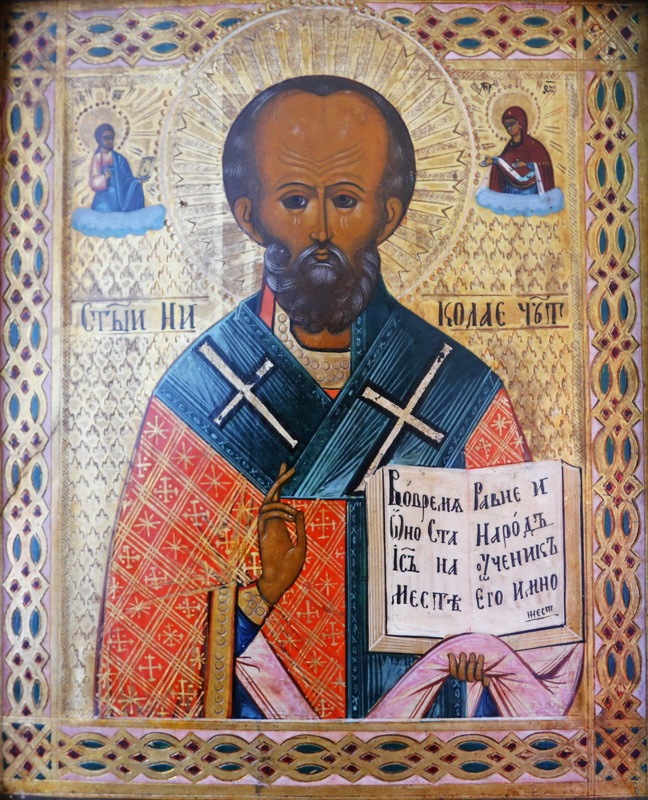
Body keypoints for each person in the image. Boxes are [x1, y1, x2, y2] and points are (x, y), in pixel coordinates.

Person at [96, 77, 582, 720]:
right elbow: (147, 644)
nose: (321, 230)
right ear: (249, 216)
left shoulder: (461, 391)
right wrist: (259, 594)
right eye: (295, 200)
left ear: (389, 214)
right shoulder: (199, 392)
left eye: (346, 200)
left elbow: (536, 625)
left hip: (424, 753)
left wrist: (485, 646)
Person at [482, 106, 555, 196]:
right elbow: (503, 163)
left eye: (511, 124)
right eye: (506, 125)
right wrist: (494, 161)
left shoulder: (534, 146)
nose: (509, 128)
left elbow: (544, 167)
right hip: (511, 192)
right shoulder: (510, 147)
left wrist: (527, 165)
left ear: (520, 124)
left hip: (530, 192)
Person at [89, 123, 148, 213]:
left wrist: (136, 181)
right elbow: (93, 181)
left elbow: (127, 178)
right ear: (99, 139)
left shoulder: (119, 158)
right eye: (106, 138)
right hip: (104, 199)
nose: (110, 141)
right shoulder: (97, 157)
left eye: (111, 138)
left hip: (120, 198)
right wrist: (104, 178)